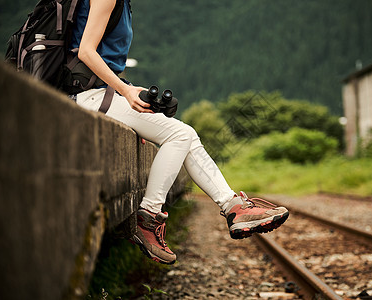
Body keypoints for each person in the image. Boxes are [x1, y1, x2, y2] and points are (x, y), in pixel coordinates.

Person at [70, 0, 289, 265]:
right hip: (88, 97)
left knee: (187, 136)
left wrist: (133, 90)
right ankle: (148, 217)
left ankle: (233, 206)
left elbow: (103, 62)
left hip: (99, 93)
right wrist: (126, 91)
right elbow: (86, 52)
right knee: (180, 134)